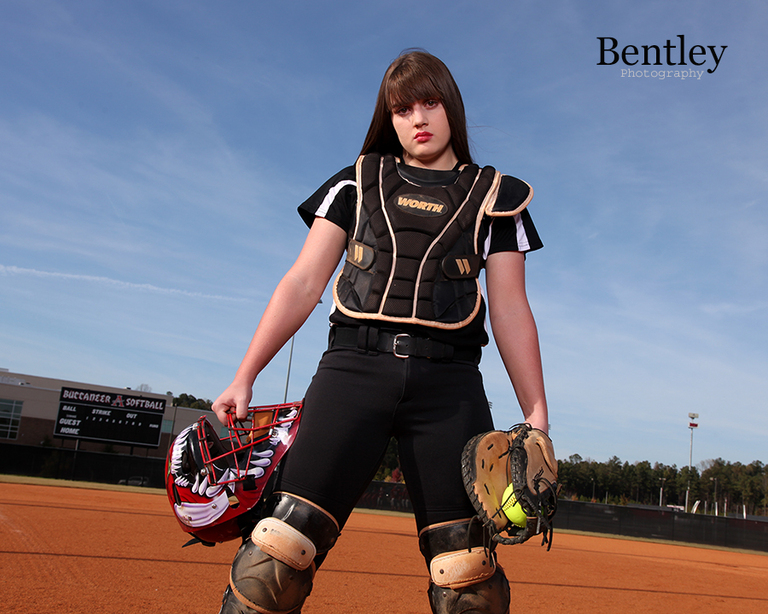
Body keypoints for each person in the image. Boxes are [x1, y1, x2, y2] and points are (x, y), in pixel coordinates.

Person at [212, 49, 549, 614]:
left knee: (467, 576)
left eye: (429, 102)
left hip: (449, 385)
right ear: (388, 118)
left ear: (451, 109)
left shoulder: (498, 198)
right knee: (276, 555)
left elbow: (511, 308)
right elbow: (302, 283)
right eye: (401, 109)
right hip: (353, 370)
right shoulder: (355, 182)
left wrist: (535, 414)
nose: (417, 118)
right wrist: (245, 376)